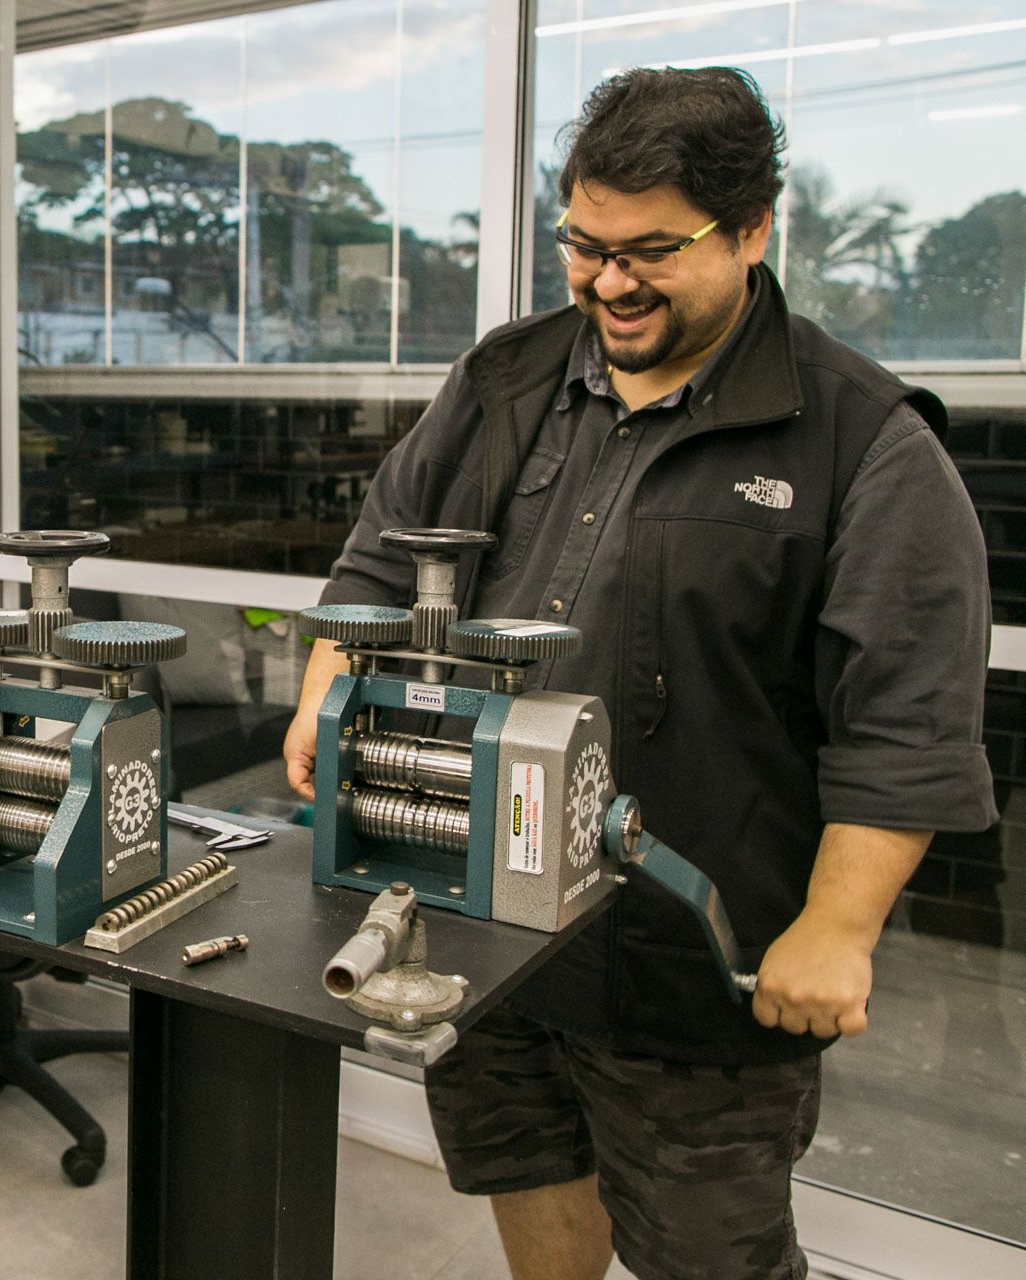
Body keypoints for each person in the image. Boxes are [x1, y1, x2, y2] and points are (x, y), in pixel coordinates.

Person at [283, 68, 993, 1280]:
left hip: (690, 973)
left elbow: (905, 726)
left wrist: (837, 926)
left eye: (652, 251)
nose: (610, 283)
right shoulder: (504, 379)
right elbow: (379, 563)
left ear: (753, 228)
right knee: (527, 1174)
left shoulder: (863, 440)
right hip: (480, 925)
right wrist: (324, 693)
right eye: (585, 246)